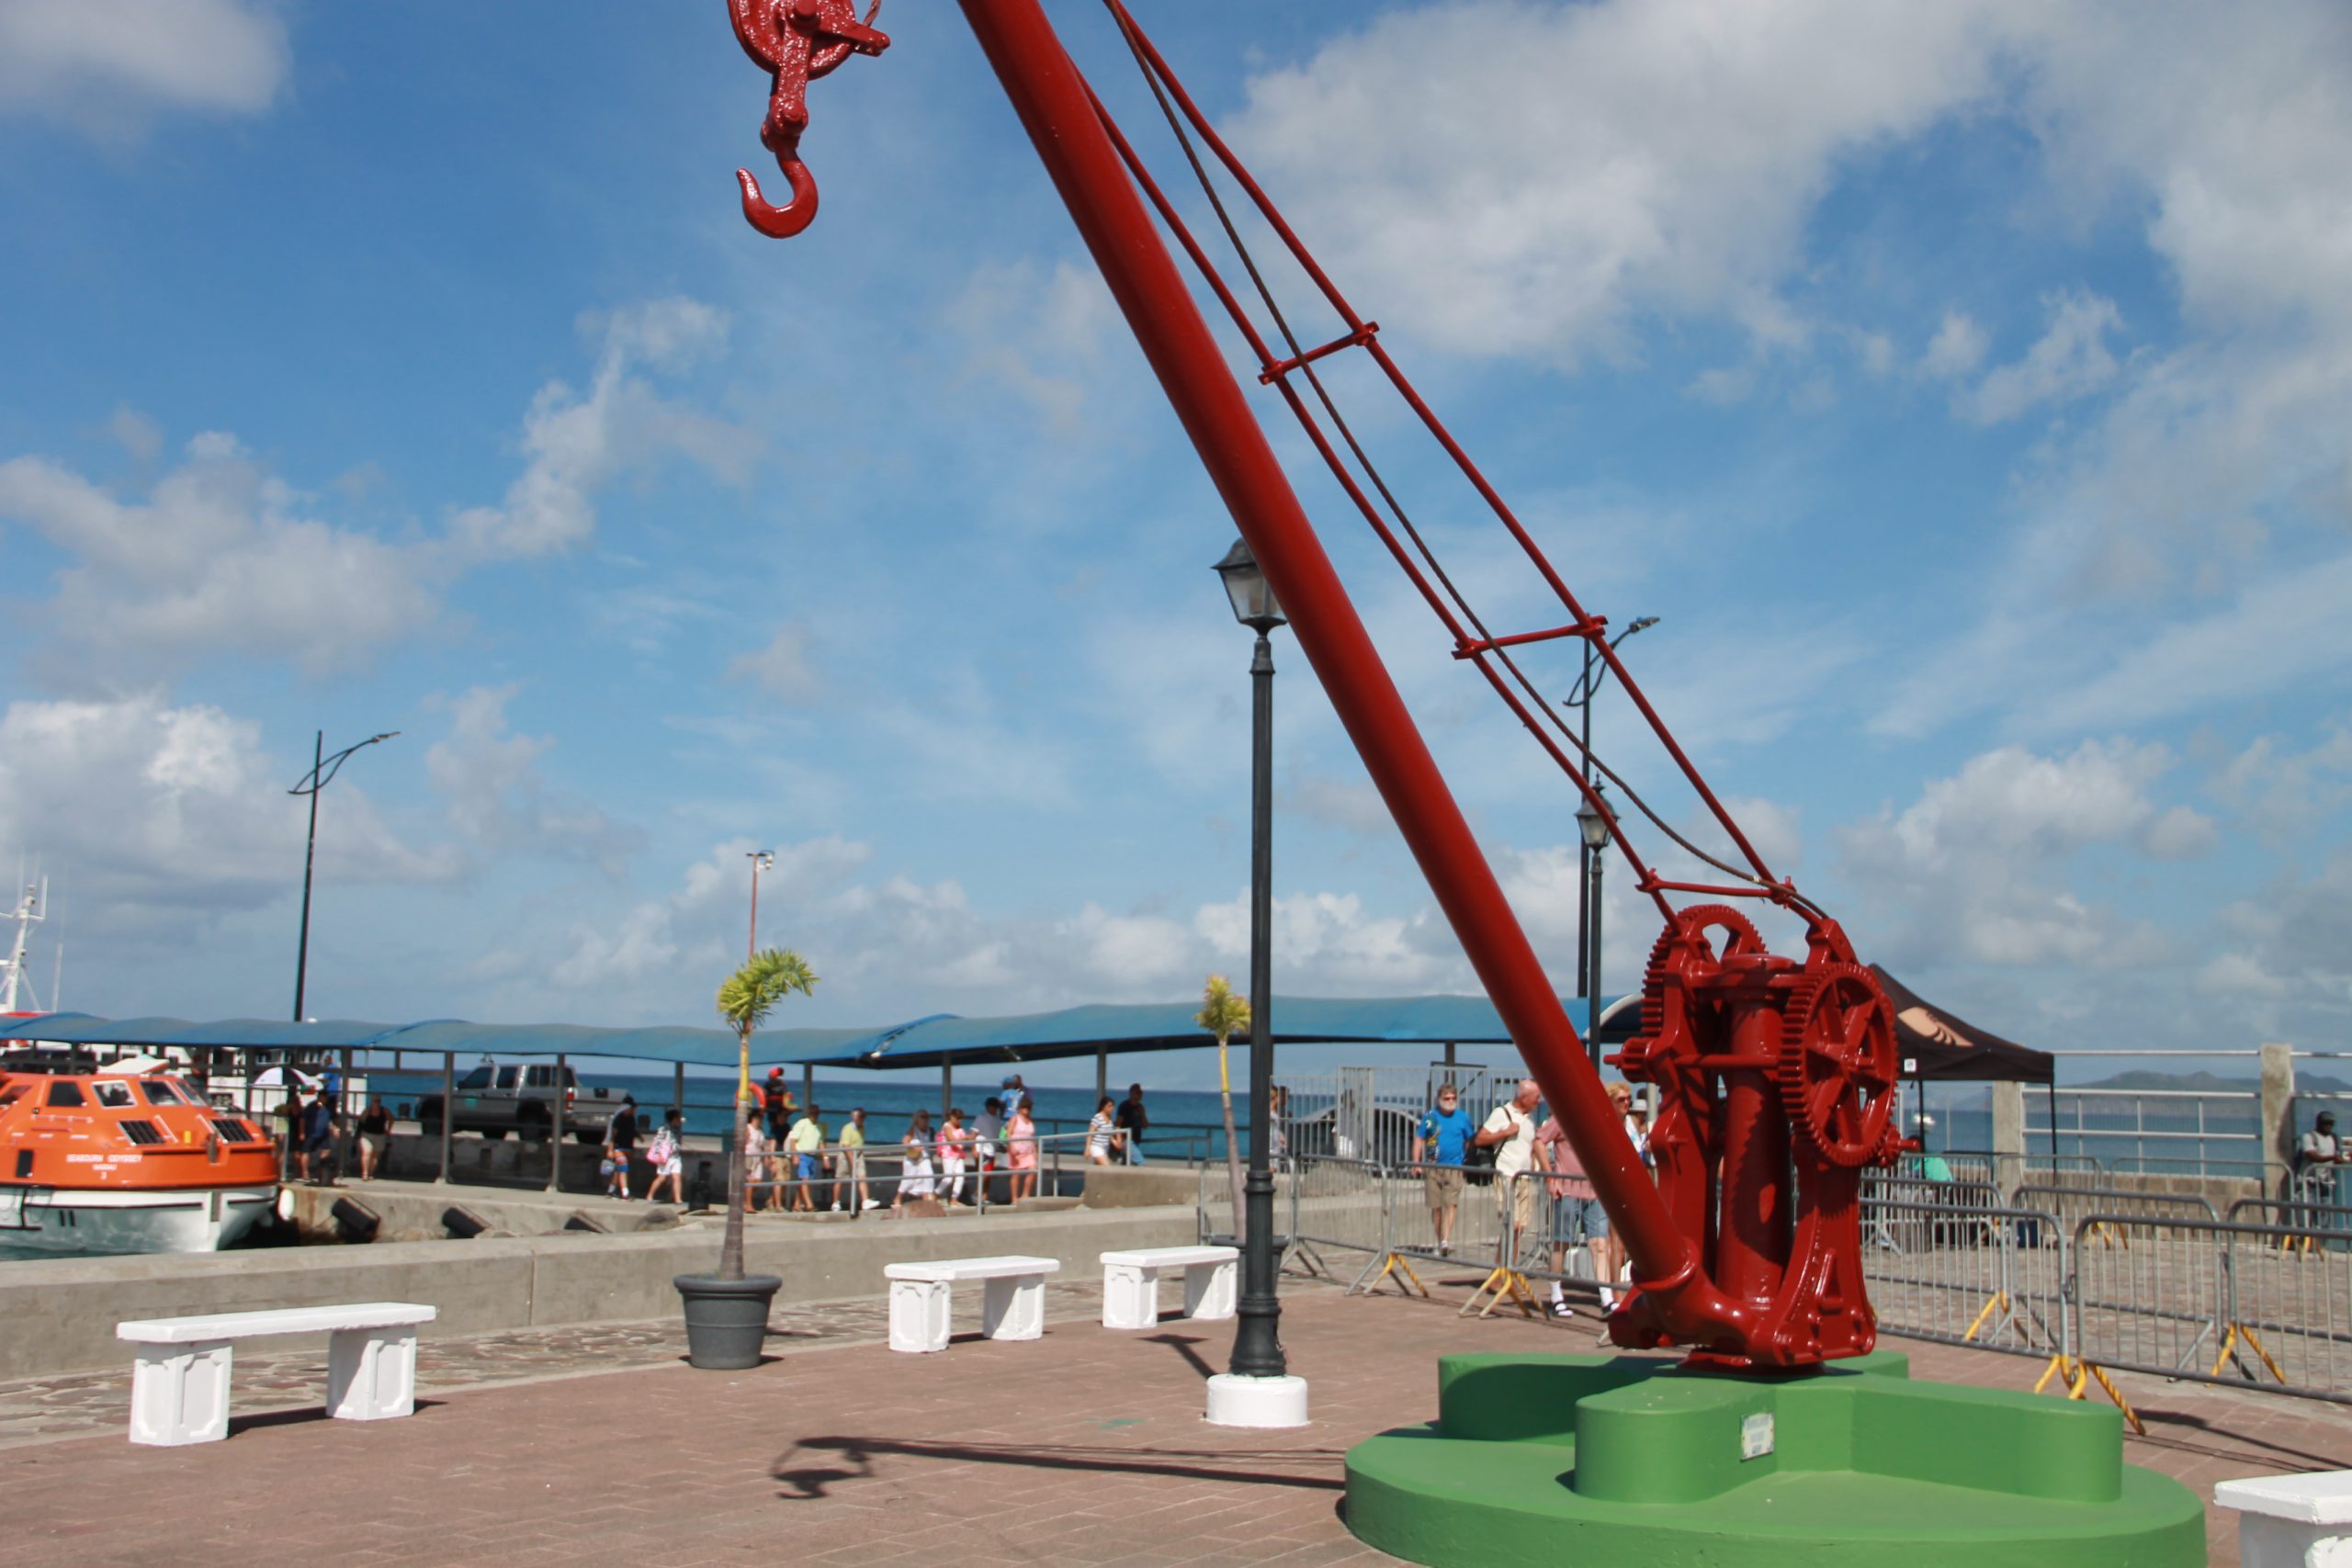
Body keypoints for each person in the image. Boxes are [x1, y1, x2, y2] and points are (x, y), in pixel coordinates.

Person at [1476, 1078, 1542, 1266]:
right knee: (1510, 1225)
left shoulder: (1529, 1119)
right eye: (1536, 1098)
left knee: (1519, 1228)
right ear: (1524, 1097)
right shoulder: (1502, 1113)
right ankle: (1501, 1270)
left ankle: (1508, 1270)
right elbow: (1480, 1139)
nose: (1539, 1101)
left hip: (1525, 1178)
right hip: (1506, 1177)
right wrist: (1504, 1133)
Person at [1411, 1082, 1478, 1256]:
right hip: (1434, 1167)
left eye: (1453, 1098)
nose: (1450, 1101)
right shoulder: (1431, 1117)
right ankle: (1439, 1238)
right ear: (1439, 1099)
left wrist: (1467, 1159)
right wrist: (1416, 1163)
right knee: (1436, 1207)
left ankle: (1445, 1240)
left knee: (1451, 1204)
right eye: (1446, 1098)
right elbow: (1420, 1139)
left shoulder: (1462, 1117)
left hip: (1455, 1167)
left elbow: (1470, 1139)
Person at [786, 1102, 825, 1212]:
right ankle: (809, 1204)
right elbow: (793, 1140)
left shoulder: (819, 1126)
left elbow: (821, 1142)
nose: (815, 1116)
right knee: (805, 1179)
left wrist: (825, 1157)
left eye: (816, 1114)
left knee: (805, 1181)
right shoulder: (802, 1123)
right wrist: (795, 1155)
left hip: (812, 1156)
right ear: (809, 1114)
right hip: (802, 1154)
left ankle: (797, 1204)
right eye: (813, 1113)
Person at [644, 1108, 685, 1205]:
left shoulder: (678, 1128)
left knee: (677, 1176)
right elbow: (657, 1141)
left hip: (676, 1156)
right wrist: (659, 1154)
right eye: (678, 1117)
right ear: (674, 1119)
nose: (679, 1119)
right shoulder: (664, 1128)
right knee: (662, 1177)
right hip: (665, 1156)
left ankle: (678, 1199)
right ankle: (649, 1195)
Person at [897, 1111, 937, 1211]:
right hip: (913, 1158)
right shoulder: (913, 1130)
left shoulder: (930, 1130)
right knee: (909, 1180)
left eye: (926, 1117)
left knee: (928, 1176)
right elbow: (905, 1141)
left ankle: (927, 1199)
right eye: (922, 1117)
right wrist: (914, 1148)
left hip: (924, 1158)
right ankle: (898, 1198)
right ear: (917, 1119)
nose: (925, 1120)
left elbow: (934, 1144)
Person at [604, 1094, 639, 1200]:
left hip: (627, 1147)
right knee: (623, 1168)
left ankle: (611, 1190)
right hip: (618, 1147)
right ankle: (625, 1193)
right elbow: (613, 1135)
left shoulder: (631, 1118)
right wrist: (610, 1149)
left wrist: (639, 1137)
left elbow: (632, 1131)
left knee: (618, 1170)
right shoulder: (618, 1119)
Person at [301, 1089, 339, 1186]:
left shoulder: (329, 1108)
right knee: (306, 1151)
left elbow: (333, 1120)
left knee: (326, 1150)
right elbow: (303, 1119)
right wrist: (301, 1132)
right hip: (311, 1133)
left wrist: (335, 1128)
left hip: (324, 1134)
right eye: (324, 1097)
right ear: (319, 1097)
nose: (325, 1099)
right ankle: (305, 1173)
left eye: (326, 1097)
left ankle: (322, 1169)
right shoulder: (312, 1106)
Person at [973, 1097, 1005, 1203]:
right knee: (984, 1174)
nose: (994, 1109)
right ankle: (976, 1194)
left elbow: (995, 1135)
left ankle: (984, 1197)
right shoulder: (981, 1118)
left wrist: (1000, 1147)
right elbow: (974, 1134)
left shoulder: (996, 1119)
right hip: (981, 1149)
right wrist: (974, 1149)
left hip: (991, 1150)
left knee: (989, 1175)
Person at [841, 1108, 875, 1211]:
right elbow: (846, 1145)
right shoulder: (847, 1128)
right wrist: (852, 1159)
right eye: (859, 1117)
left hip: (858, 1155)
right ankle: (836, 1202)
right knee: (840, 1178)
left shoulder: (862, 1128)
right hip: (847, 1155)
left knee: (862, 1176)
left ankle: (865, 1200)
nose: (861, 1119)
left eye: (863, 1117)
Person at [1007, 1099, 1038, 1203]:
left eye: (1028, 1108)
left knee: (1033, 1170)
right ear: (1020, 1108)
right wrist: (1011, 1147)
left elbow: (1032, 1137)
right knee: (1016, 1174)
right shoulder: (1015, 1119)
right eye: (1025, 1107)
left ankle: (1025, 1194)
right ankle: (1014, 1198)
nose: (1027, 1110)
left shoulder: (1030, 1121)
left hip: (1028, 1150)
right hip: (1016, 1150)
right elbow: (1009, 1133)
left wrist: (1035, 1152)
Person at [937, 1107, 971, 1205]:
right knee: (948, 1178)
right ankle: (935, 1194)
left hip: (958, 1155)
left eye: (960, 1118)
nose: (959, 1120)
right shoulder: (947, 1126)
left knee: (960, 1176)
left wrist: (971, 1136)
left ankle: (954, 1199)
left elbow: (964, 1138)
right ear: (952, 1117)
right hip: (949, 1155)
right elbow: (952, 1140)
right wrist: (965, 1138)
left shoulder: (959, 1127)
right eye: (957, 1118)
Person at [741, 1107, 771, 1213]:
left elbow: (763, 1145)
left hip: (758, 1157)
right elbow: (743, 1142)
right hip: (749, 1155)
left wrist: (766, 1157)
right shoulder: (748, 1128)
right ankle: (748, 1204)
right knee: (750, 1181)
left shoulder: (760, 1130)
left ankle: (744, 1200)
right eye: (758, 1117)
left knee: (757, 1181)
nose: (760, 1120)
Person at [356, 1096, 393, 1180]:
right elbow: (360, 1121)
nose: (376, 1103)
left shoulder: (384, 1110)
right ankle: (364, 1173)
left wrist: (388, 1130)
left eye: (378, 1101)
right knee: (367, 1152)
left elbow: (391, 1119)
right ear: (371, 1101)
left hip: (380, 1135)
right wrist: (358, 1134)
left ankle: (370, 1173)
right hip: (367, 1134)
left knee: (375, 1155)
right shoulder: (367, 1110)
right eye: (375, 1101)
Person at [1114, 1083, 1150, 1166]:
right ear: (1131, 1093)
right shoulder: (1124, 1106)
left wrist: (1142, 1114)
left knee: (1127, 1163)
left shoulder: (1140, 1107)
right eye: (1137, 1093)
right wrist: (1119, 1139)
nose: (1140, 1095)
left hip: (1136, 1140)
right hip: (1127, 1140)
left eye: (1141, 1093)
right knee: (1141, 1162)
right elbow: (1118, 1124)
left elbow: (1145, 1125)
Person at [1086, 1094, 1120, 1166]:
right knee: (1107, 1167)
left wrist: (1115, 1141)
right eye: (1109, 1106)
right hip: (1097, 1147)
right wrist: (1087, 1148)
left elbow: (1109, 1135)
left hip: (1105, 1148)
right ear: (1103, 1107)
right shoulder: (1098, 1118)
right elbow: (1090, 1134)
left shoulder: (1110, 1120)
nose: (1112, 1108)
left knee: (1099, 1170)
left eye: (1112, 1106)